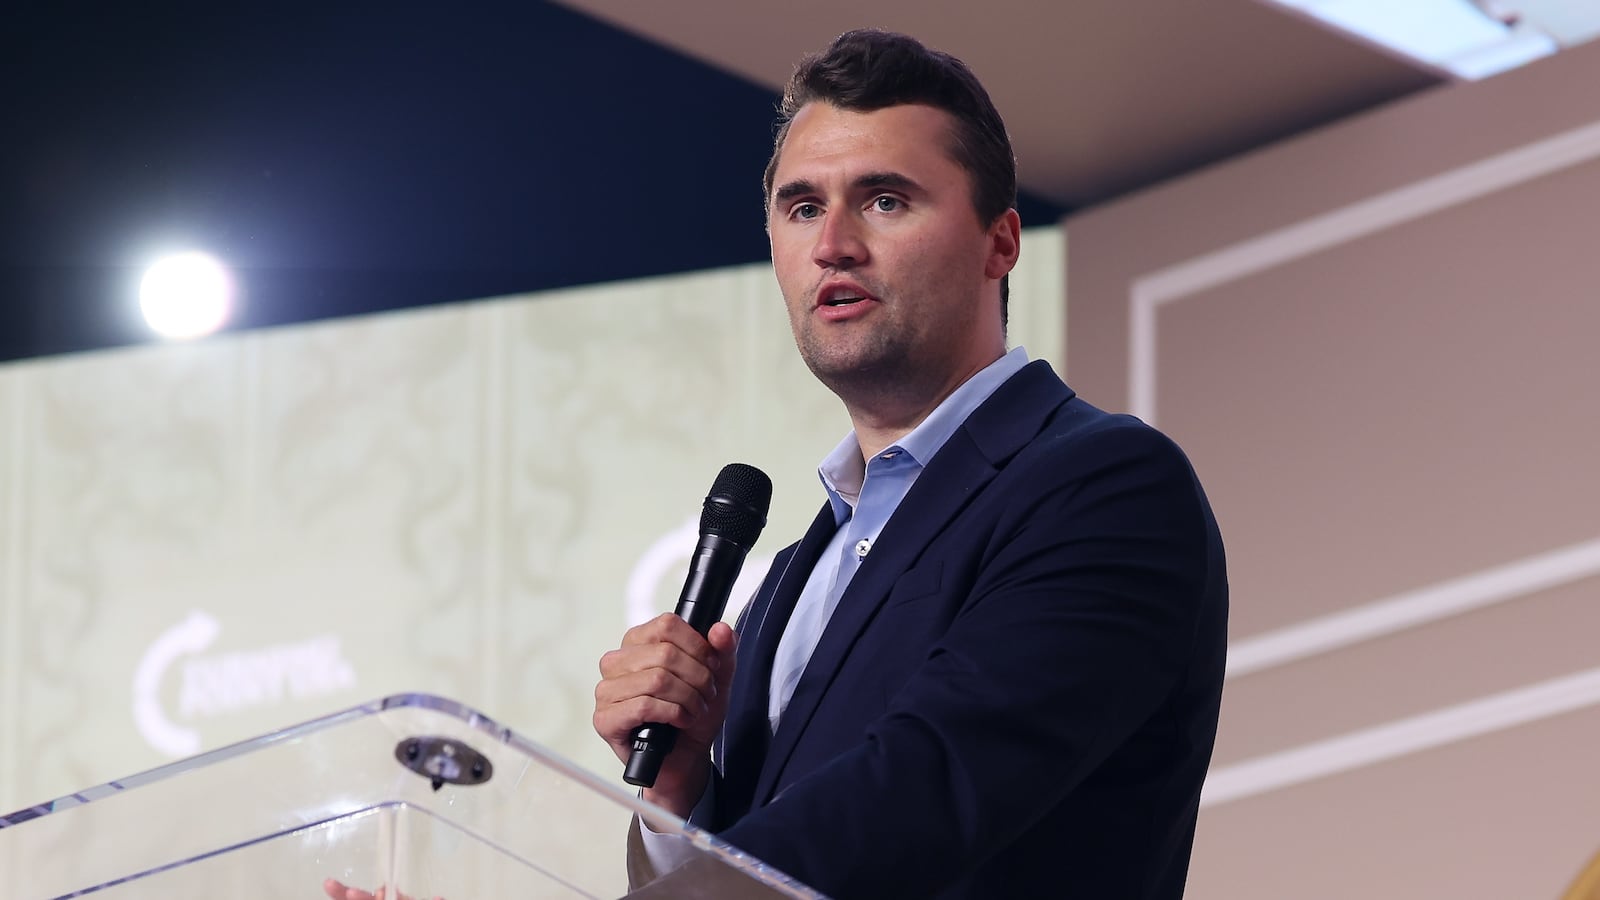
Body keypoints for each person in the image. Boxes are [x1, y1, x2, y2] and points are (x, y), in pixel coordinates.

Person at [590, 28, 1228, 900]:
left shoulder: (1106, 488)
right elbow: (757, 860)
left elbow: (921, 796)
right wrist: (679, 793)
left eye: (885, 200)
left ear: (1001, 243)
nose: (833, 244)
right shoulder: (791, 577)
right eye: (802, 207)